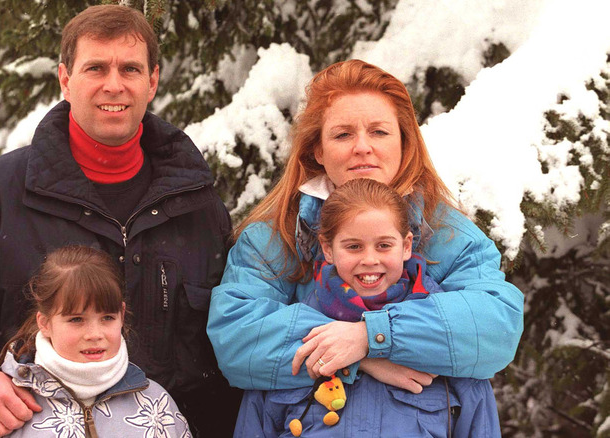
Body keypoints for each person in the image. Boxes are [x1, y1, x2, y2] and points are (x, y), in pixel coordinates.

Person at [0, 5, 238, 438]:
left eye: (130, 69)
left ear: (152, 81)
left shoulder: (196, 203)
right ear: (65, 79)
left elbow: (227, 346)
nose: (113, 85)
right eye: (95, 67)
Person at [207, 59, 523, 419]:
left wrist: (369, 337)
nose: (362, 147)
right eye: (343, 134)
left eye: (379, 132)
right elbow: (236, 338)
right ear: (318, 150)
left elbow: (495, 326)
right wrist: (359, 357)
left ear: (405, 142)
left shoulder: (448, 234)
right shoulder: (274, 238)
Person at [234, 179, 501, 437]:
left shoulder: (448, 341)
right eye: (353, 246)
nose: (370, 259)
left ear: (406, 245)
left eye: (384, 245)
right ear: (328, 249)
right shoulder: (288, 337)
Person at [0, 246, 191, 437]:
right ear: (45, 323)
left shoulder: (156, 404)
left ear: (122, 315)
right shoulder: (6, 404)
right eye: (76, 319)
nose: (94, 334)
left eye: (107, 318)